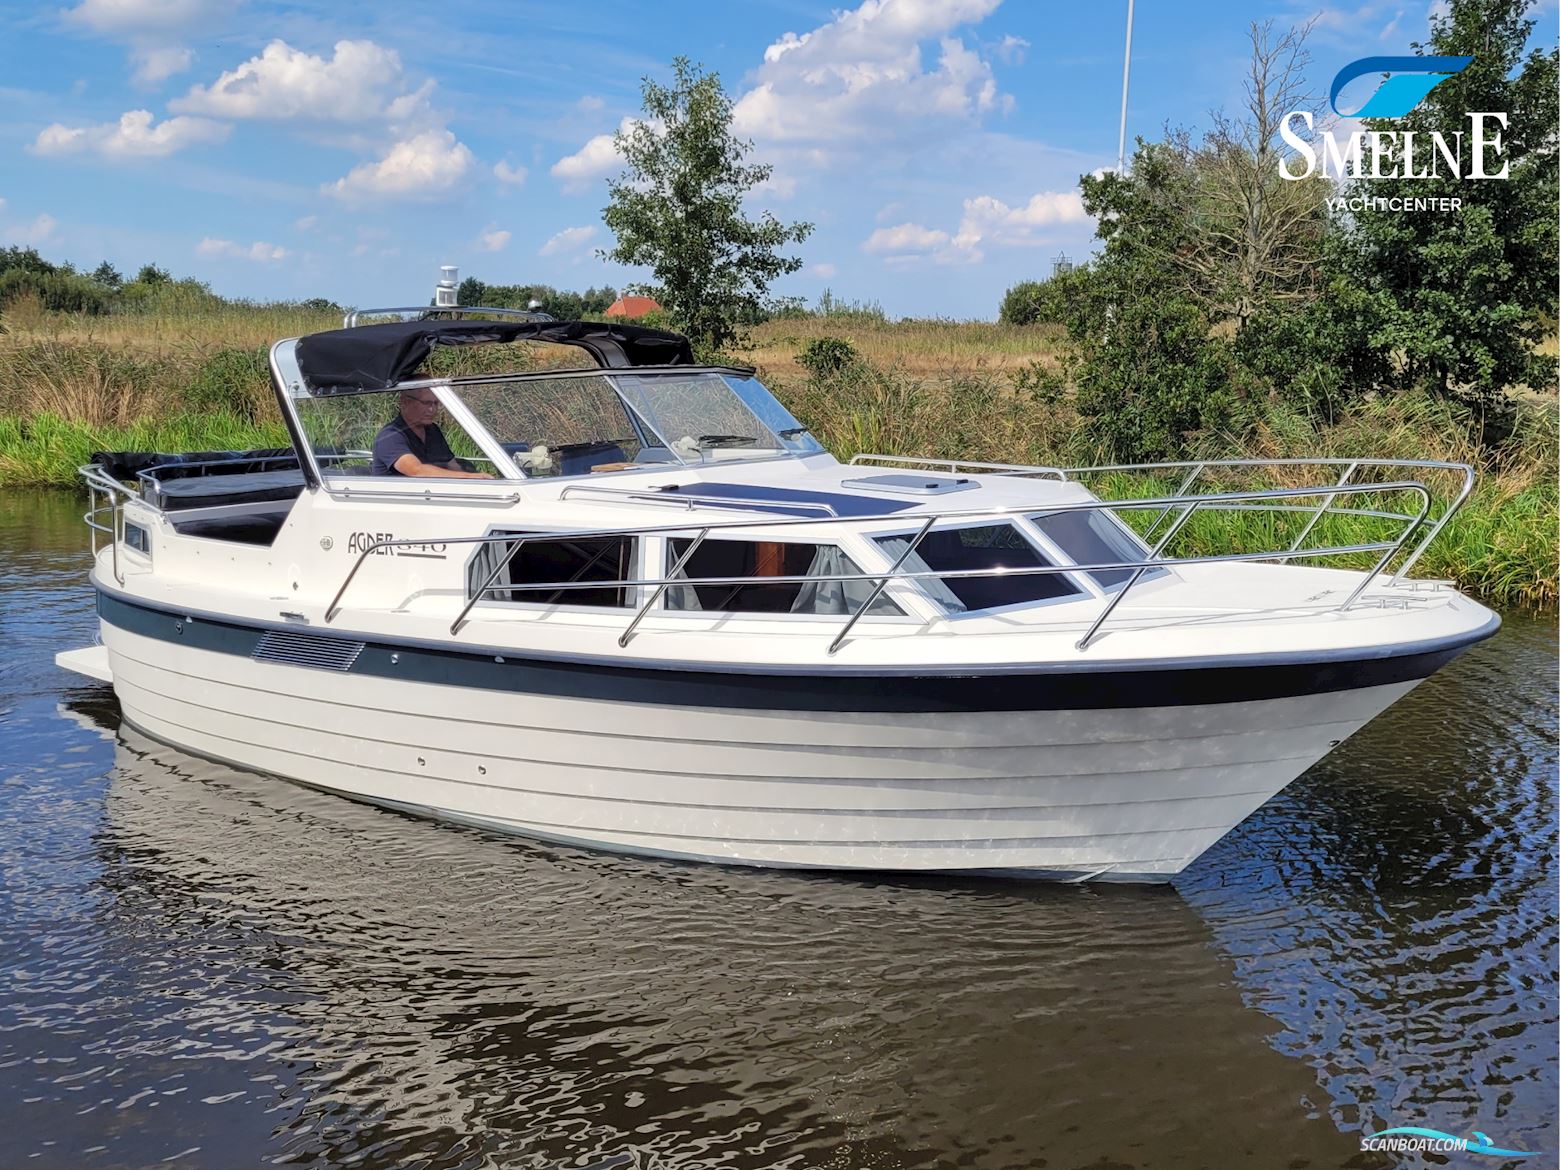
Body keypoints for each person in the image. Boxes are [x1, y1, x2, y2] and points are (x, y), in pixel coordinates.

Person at [371, 389, 494, 478]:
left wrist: (476, 479)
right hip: (399, 505)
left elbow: (451, 464)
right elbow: (416, 471)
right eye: (427, 403)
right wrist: (469, 477)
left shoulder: (432, 430)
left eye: (436, 403)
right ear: (405, 402)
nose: (432, 410)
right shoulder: (390, 436)